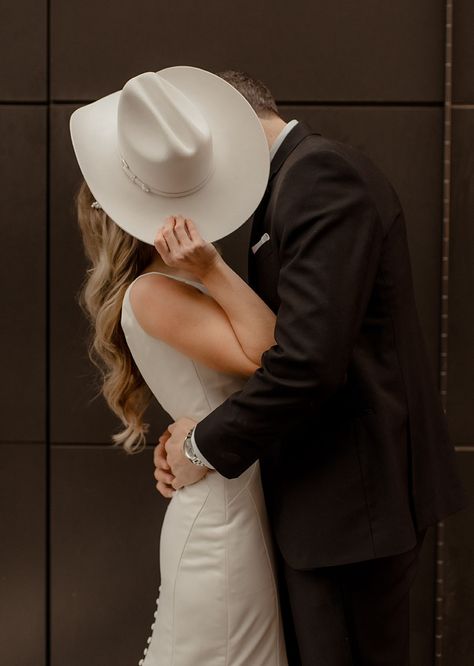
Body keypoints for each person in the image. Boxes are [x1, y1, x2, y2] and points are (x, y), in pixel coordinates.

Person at [153, 71, 468, 664]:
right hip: (331, 503)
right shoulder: (288, 182)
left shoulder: (321, 177)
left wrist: (200, 448)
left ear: (233, 126)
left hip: (351, 504)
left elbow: (307, 363)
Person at [71, 66, 289, 665]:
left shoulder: (164, 286)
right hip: (220, 519)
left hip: (226, 495)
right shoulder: (156, 292)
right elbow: (278, 357)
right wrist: (212, 267)